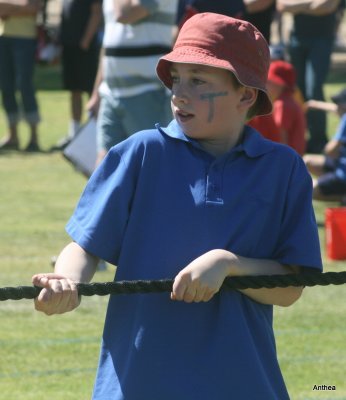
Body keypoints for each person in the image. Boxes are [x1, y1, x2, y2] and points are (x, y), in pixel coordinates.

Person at [32, 13, 322, 399]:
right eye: (176, 79)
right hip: (139, 384)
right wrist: (67, 281)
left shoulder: (283, 169)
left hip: (242, 384)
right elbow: (85, 245)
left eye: (198, 81)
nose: (179, 94)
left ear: (246, 95)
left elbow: (290, 287)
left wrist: (228, 264)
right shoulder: (140, 153)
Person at [86, 0, 178, 166]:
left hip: (148, 93)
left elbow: (124, 14)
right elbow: (109, 42)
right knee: (105, 168)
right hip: (110, 92)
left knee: (149, 168)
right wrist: (97, 92)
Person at [277, 0, 343, 154]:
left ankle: (318, 139)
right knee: (297, 90)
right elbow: (282, 5)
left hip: (322, 39)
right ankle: (299, 137)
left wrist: (298, 6)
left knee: (314, 88)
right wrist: (311, 4)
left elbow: (327, 6)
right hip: (297, 39)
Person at [52, 0, 102, 149]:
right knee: (74, 90)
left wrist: (85, 41)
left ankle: (95, 135)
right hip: (70, 46)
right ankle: (74, 134)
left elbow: (96, 12)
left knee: (91, 91)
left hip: (86, 48)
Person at [0, 0, 42, 151]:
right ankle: (13, 136)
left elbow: (33, 8)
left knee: (24, 85)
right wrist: (19, 7)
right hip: (3, 38)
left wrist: (7, 9)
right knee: (6, 87)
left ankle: (34, 137)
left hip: (25, 39)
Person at [303, 88, 346, 201]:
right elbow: (334, 108)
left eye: (339, 104)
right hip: (340, 162)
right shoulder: (343, 112)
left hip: (343, 174)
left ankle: (343, 197)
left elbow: (330, 151)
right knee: (306, 161)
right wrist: (314, 104)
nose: (336, 107)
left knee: (310, 189)